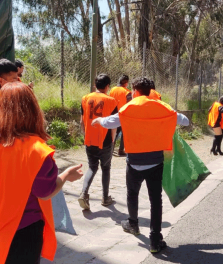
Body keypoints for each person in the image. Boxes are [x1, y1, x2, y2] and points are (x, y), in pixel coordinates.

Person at [0, 82, 83, 264]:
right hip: (23, 231)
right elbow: (46, 192)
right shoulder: (37, 150)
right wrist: (66, 175)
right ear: (33, 109)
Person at [91, 77, 189, 254]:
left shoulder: (129, 107)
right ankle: (155, 238)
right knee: (155, 200)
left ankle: (133, 224)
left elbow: (110, 122)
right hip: (155, 162)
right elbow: (184, 120)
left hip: (134, 162)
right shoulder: (162, 107)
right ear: (150, 91)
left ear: (135, 91)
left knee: (132, 194)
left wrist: (98, 121)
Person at [78, 74, 118, 210]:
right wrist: (113, 140)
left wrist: (86, 136)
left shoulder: (85, 98)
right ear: (107, 87)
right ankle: (105, 198)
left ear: (95, 85)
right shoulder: (112, 101)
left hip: (89, 139)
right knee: (106, 168)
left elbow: (82, 121)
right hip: (105, 141)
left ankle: (83, 193)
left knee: (92, 167)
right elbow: (113, 124)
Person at [109, 75, 132, 156]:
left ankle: (111, 149)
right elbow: (130, 104)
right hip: (123, 115)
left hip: (113, 113)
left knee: (113, 132)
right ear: (126, 83)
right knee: (124, 133)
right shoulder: (127, 92)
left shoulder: (112, 89)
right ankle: (121, 150)